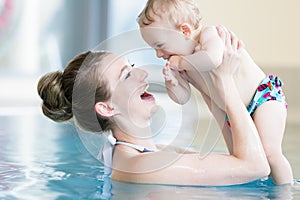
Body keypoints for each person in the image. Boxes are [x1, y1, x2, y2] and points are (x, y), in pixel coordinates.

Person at [37, 30, 270, 186]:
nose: (143, 74)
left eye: (133, 66)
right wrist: (226, 82)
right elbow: (256, 167)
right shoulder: (141, 166)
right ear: (106, 108)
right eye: (126, 75)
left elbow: (240, 162)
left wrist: (209, 85)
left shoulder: (150, 154)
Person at [137, 0, 293, 185]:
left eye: (160, 45)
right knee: (243, 160)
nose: (158, 54)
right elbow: (182, 97)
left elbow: (212, 58)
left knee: (270, 152)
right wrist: (173, 83)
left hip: (263, 98)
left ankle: (287, 191)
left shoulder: (209, 35)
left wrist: (181, 64)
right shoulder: (182, 63)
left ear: (185, 31)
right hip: (232, 112)